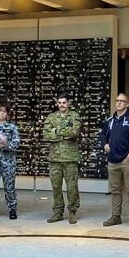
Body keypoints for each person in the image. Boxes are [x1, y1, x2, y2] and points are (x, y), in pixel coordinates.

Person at [100, 93, 129, 229]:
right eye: (117, 101)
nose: (119, 103)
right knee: (115, 190)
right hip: (112, 161)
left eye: (122, 101)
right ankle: (116, 216)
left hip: (128, 160)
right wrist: (104, 145)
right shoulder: (110, 120)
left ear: (127, 104)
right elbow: (103, 134)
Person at [43, 94, 82, 224]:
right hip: (54, 159)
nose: (61, 105)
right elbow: (46, 135)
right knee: (56, 187)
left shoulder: (74, 116)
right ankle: (58, 212)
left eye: (64, 102)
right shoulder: (51, 117)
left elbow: (74, 132)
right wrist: (63, 133)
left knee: (72, 187)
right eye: (59, 102)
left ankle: (72, 211)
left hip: (70, 158)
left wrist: (55, 131)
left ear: (68, 103)